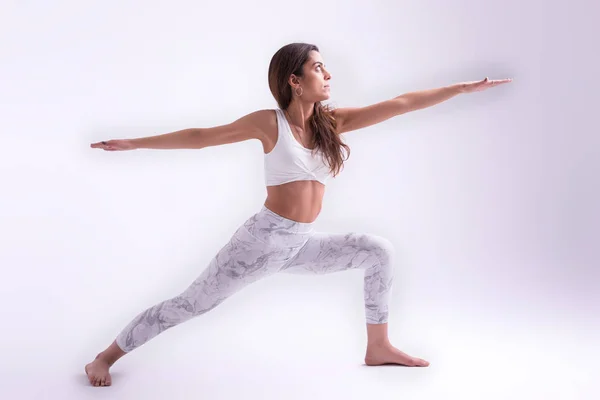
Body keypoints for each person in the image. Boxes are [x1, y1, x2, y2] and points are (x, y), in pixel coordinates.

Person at [86, 42, 512, 387]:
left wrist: (458, 90)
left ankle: (378, 347)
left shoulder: (331, 124)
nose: (327, 76)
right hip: (259, 244)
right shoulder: (268, 123)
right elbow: (201, 137)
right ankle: (105, 357)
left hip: (300, 244)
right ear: (295, 80)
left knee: (377, 250)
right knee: (188, 306)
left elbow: (400, 104)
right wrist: (135, 143)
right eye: (319, 68)